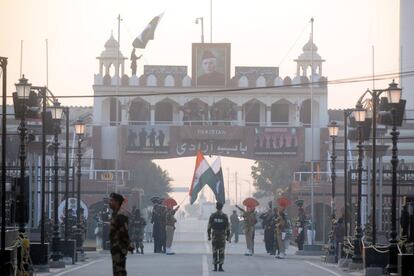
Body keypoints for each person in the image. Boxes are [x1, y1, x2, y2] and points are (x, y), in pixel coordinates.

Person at [109, 192, 133, 276]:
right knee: (116, 271)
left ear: (117, 202)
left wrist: (128, 245)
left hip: (120, 248)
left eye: (112, 201)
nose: (110, 202)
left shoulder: (121, 216)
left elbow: (125, 233)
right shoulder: (114, 214)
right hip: (115, 248)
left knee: (120, 271)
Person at [208, 202, 230, 272]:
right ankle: (220, 267)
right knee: (221, 252)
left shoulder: (213, 216)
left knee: (214, 251)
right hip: (222, 236)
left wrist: (209, 236)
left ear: (216, 207)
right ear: (222, 207)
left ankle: (215, 267)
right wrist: (228, 236)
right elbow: (228, 227)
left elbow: (209, 227)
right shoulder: (224, 216)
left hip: (214, 235)